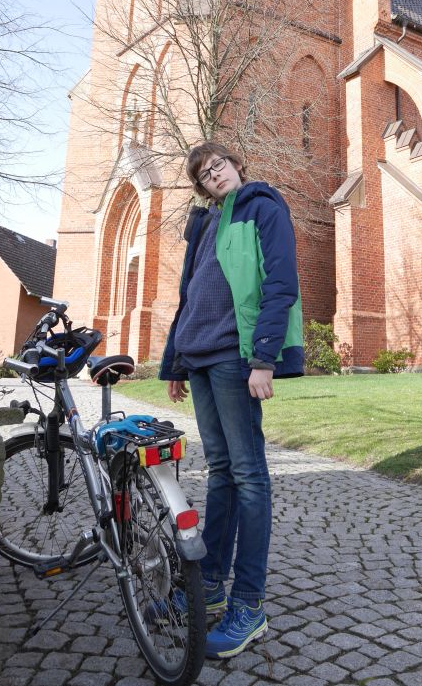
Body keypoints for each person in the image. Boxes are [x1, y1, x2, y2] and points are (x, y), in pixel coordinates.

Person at [159, 141, 303, 659]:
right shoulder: (202, 225)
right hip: (198, 358)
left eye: (218, 164)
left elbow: (280, 284)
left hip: (234, 357)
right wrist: (174, 361)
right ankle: (213, 584)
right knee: (219, 470)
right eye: (203, 173)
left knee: (247, 474)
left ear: (238, 165)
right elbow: (188, 295)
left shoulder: (264, 207)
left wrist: (264, 358)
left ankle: (249, 603)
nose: (213, 174)